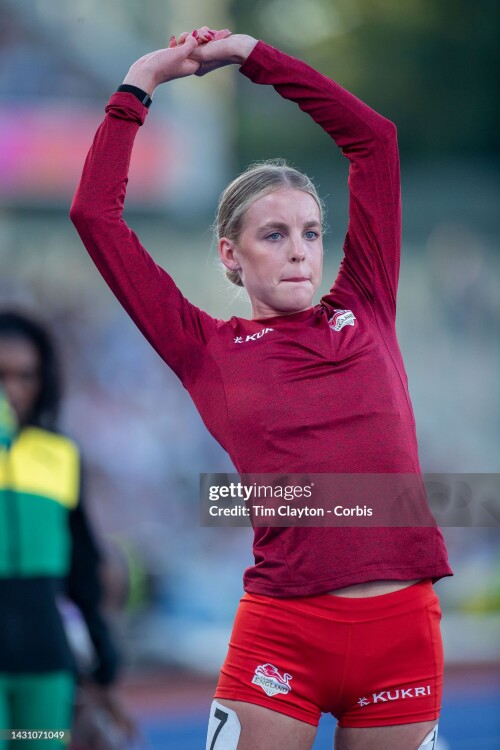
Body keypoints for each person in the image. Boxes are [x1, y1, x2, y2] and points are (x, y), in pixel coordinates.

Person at [70, 27, 452, 750]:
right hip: (285, 630)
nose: (301, 250)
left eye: (310, 232)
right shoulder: (204, 347)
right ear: (230, 256)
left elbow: (374, 141)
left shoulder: (365, 300)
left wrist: (253, 57)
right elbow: (95, 215)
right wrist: (141, 82)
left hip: (401, 628)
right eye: (274, 234)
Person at [0, 311, 132, 749]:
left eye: (25, 376)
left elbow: (82, 568)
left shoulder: (59, 455)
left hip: (45, 660)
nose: (12, 390)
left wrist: (103, 668)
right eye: (0, 375)